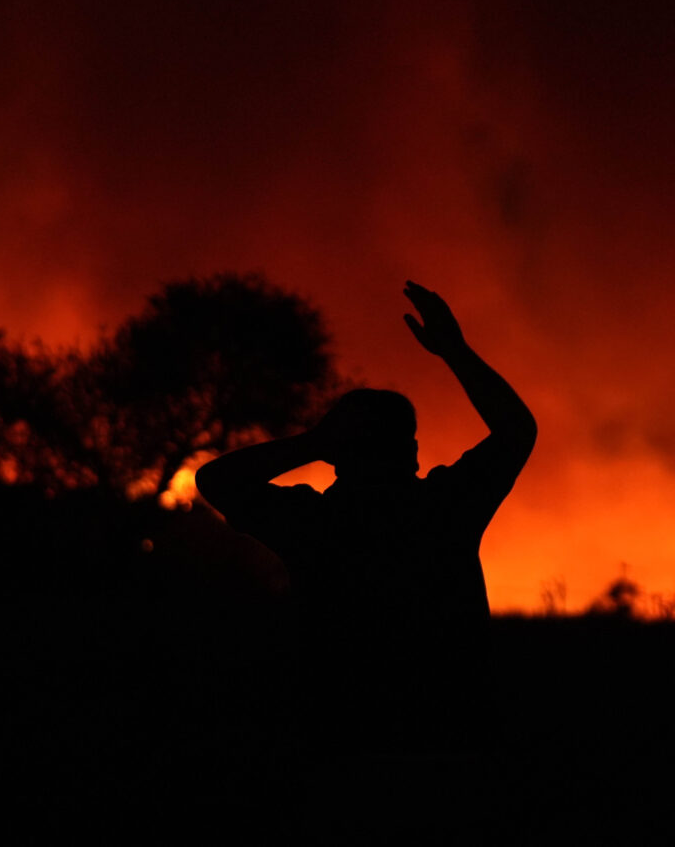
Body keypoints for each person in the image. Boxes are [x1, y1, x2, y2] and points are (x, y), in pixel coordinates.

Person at [195, 281, 536, 750]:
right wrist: (455, 351)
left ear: (338, 455)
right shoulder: (445, 508)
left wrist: (313, 442)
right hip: (450, 735)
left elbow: (215, 480)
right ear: (412, 451)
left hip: (340, 734)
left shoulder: (311, 523)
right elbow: (517, 429)